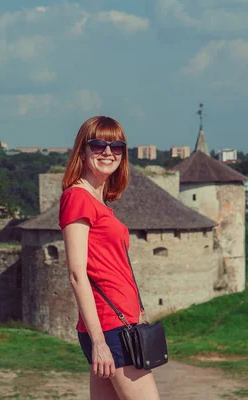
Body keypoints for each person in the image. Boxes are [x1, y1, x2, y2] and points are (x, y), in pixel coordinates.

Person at [59, 116, 160, 400]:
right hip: (110, 328)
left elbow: (113, 267)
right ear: (82, 149)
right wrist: (99, 341)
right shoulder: (77, 197)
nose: (108, 152)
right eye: (98, 144)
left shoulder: (97, 200)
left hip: (122, 325)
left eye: (116, 146)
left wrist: (137, 310)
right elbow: (77, 274)